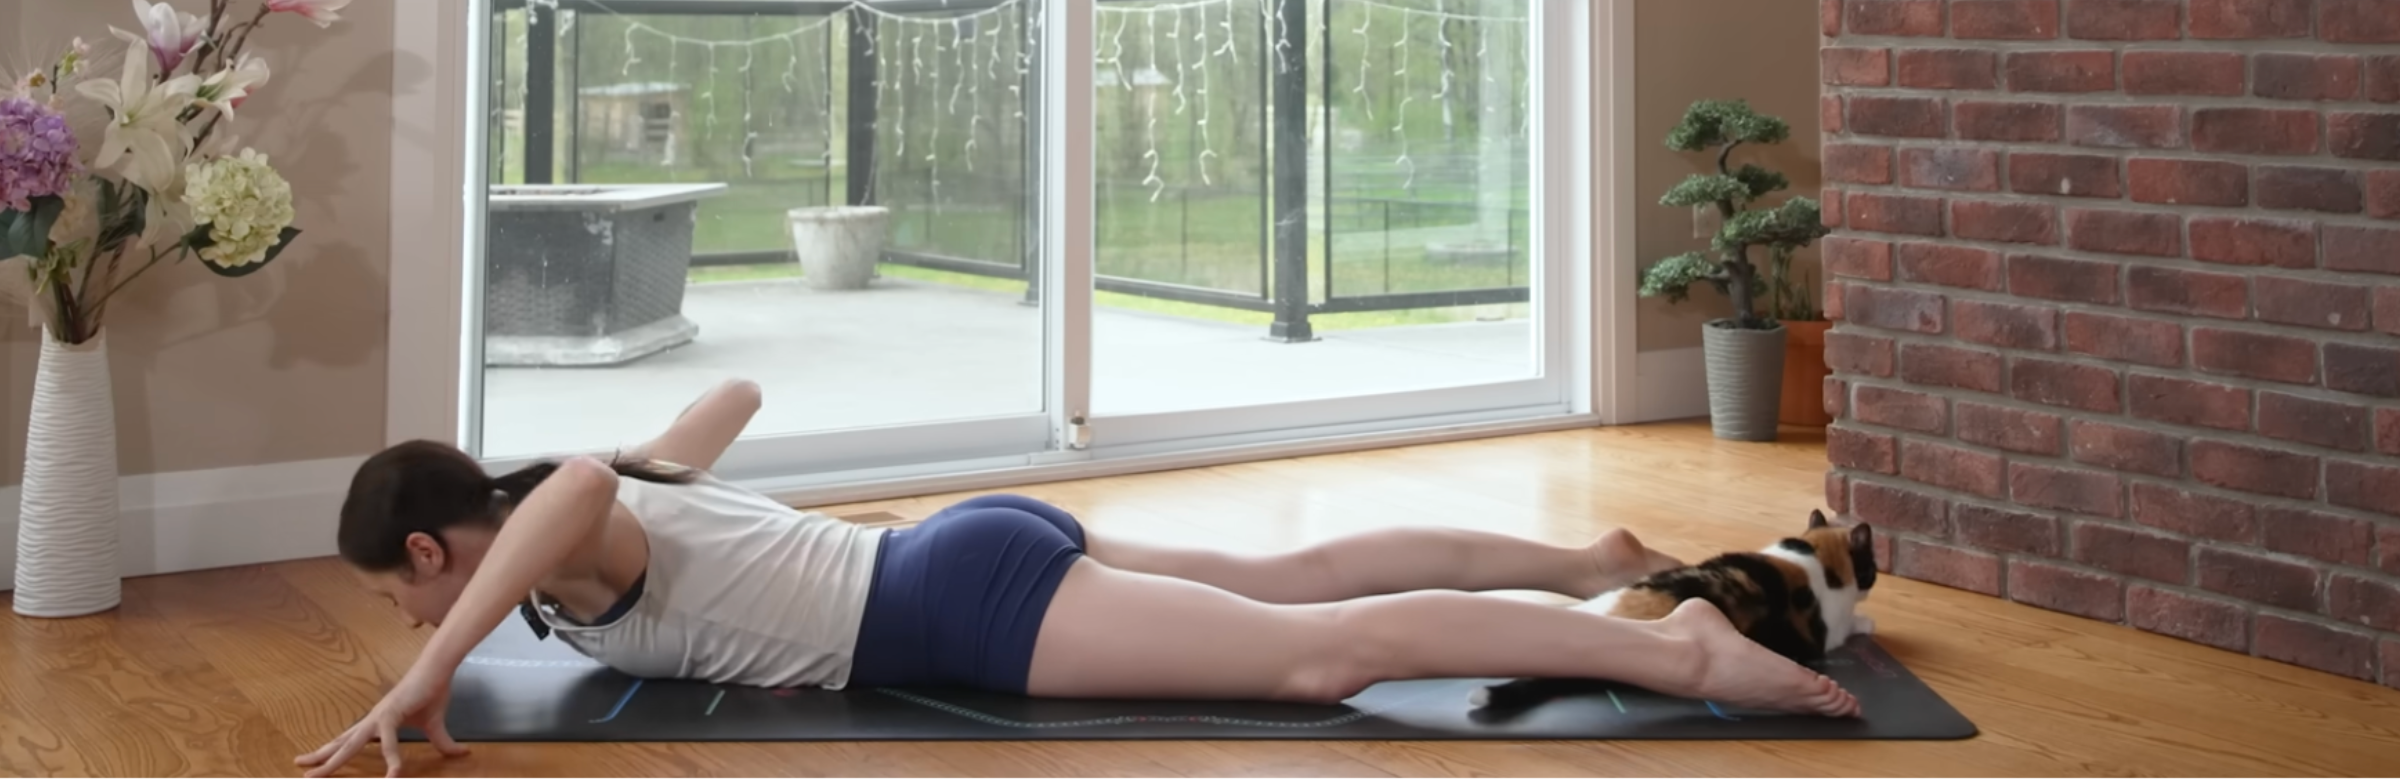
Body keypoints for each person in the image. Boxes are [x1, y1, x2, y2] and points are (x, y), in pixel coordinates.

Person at [304, 378, 1860, 777]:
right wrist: (652, 462)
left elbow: (574, 488)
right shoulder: (598, 508)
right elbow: (727, 410)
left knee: (1322, 650)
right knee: (1299, 572)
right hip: (970, 545)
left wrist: (430, 673)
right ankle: (1584, 564)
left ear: (440, 550)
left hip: (958, 604)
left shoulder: (575, 515)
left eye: (404, 593)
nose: (410, 612)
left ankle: (1683, 652)